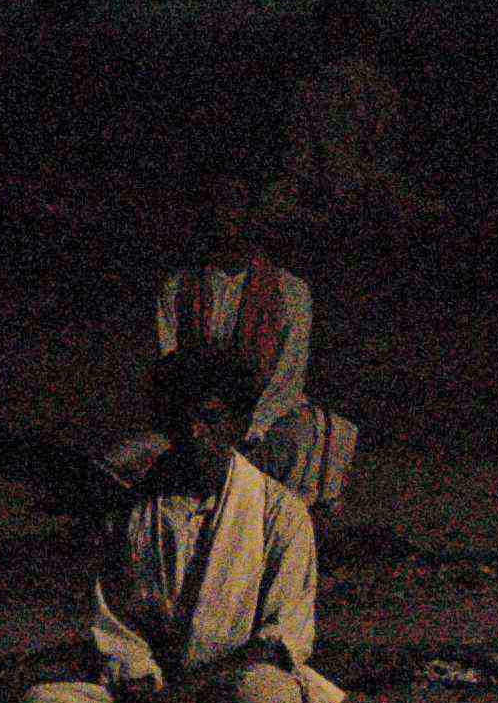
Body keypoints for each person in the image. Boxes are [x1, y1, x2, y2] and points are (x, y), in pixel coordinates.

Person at [19, 349, 377, 703]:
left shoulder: (280, 513)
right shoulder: (137, 512)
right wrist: (142, 693)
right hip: (157, 697)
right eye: (182, 420)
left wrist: (185, 696)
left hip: (227, 694)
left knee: (269, 697)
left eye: (210, 419)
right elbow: (118, 626)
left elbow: (282, 640)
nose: (194, 433)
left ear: (239, 425)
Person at [105, 168, 359, 514]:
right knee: (126, 462)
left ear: (253, 215)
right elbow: (171, 370)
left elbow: (287, 380)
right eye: (216, 204)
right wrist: (203, 423)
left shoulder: (290, 292)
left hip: (263, 428)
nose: (223, 214)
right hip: (196, 425)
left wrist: (248, 429)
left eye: (234, 203)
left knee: (313, 436)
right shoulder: (178, 289)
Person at [280, 0, 426, 221]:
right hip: (343, 199)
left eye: (342, 32)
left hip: (360, 199)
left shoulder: (376, 88)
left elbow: (388, 152)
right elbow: (302, 156)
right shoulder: (315, 90)